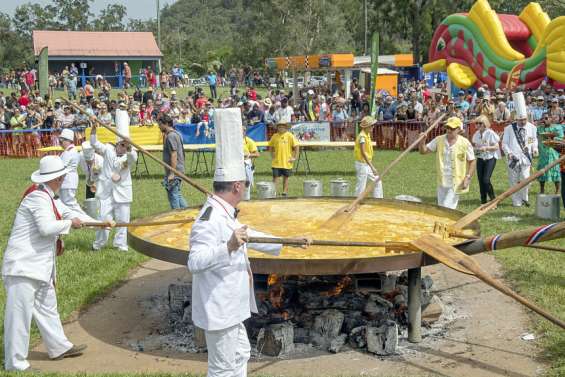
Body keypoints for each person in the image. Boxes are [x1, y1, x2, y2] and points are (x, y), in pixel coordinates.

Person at [188, 107, 309, 377]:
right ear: (237, 187)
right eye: (244, 183)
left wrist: (287, 241)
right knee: (221, 369)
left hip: (231, 307)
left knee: (241, 353)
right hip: (219, 309)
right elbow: (194, 262)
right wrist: (227, 247)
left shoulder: (223, 211)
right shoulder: (208, 219)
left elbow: (248, 234)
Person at [2, 155, 92, 371]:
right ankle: (15, 363)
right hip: (23, 266)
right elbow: (45, 227)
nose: (63, 180)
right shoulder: (37, 198)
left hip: (39, 267)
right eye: (62, 176)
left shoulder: (49, 196)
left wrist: (99, 223)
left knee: (47, 307)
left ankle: (58, 346)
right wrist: (71, 223)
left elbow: (70, 212)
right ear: (58, 179)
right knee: (19, 317)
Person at [90, 123, 137, 252]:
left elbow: (132, 158)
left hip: (123, 193)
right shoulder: (108, 150)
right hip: (106, 192)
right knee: (103, 219)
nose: (124, 147)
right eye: (122, 144)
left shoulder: (130, 154)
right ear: (117, 144)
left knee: (122, 220)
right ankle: (98, 244)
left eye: (126, 145)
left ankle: (120, 244)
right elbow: (94, 143)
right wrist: (94, 128)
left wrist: (129, 147)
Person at [419, 116, 476, 209]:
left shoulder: (465, 143)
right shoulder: (439, 140)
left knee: (447, 207)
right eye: (447, 128)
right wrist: (422, 141)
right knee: (442, 208)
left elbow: (472, 161)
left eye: (452, 128)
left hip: (456, 182)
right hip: (442, 181)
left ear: (459, 129)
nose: (449, 130)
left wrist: (468, 178)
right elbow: (423, 151)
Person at [502, 92, 539, 207]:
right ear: (516, 119)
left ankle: (525, 198)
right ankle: (516, 201)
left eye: (524, 119)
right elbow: (504, 144)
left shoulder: (532, 128)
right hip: (513, 157)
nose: (523, 122)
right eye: (521, 120)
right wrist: (509, 154)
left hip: (526, 157)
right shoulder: (508, 129)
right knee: (513, 180)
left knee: (526, 178)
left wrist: (534, 148)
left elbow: (533, 140)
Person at [158, 114, 188, 209]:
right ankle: (187, 214)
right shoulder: (175, 134)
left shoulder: (171, 136)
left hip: (174, 171)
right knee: (177, 194)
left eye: (160, 124)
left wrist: (172, 173)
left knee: (173, 195)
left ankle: (176, 215)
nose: (159, 126)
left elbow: (174, 154)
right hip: (177, 170)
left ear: (166, 123)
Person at [471, 115, 500, 204]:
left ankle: (493, 200)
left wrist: (486, 148)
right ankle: (483, 201)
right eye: (477, 123)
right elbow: (476, 146)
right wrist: (475, 150)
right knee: (480, 180)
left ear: (485, 124)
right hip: (480, 158)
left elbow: (496, 146)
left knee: (486, 179)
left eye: (480, 123)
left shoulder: (490, 133)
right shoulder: (476, 134)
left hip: (490, 158)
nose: (478, 125)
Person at [354, 116, 383, 198]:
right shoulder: (362, 137)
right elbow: (363, 153)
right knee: (361, 186)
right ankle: (356, 201)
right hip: (362, 164)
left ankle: (378, 200)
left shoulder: (367, 135)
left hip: (366, 164)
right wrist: (372, 167)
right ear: (366, 127)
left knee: (377, 180)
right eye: (372, 125)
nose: (373, 127)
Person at [268, 121, 299, 196]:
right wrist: (272, 154)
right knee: (275, 178)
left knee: (286, 178)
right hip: (276, 162)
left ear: (286, 127)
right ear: (277, 128)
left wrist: (294, 157)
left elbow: (296, 146)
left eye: (283, 126)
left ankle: (284, 192)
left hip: (287, 162)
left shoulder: (290, 136)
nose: (281, 128)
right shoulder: (274, 136)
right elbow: (270, 146)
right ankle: (273, 192)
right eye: (279, 126)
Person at [536, 112, 563, 194]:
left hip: (554, 153)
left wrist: (553, 137)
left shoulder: (557, 128)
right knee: (542, 171)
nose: (544, 120)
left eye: (546, 118)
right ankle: (542, 190)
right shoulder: (539, 128)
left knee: (556, 171)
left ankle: (557, 190)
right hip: (543, 153)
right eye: (543, 118)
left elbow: (561, 139)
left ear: (551, 118)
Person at [58, 128, 82, 214]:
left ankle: (86, 220)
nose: (60, 143)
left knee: (71, 204)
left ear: (67, 141)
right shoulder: (71, 150)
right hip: (68, 180)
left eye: (61, 141)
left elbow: (61, 167)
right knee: (64, 203)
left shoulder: (69, 151)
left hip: (67, 180)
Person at [243, 126, 259, 200]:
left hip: (247, 165)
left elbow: (257, 154)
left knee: (247, 184)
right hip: (236, 164)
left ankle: (246, 199)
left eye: (244, 130)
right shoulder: (233, 141)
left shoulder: (249, 141)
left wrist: (248, 155)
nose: (242, 132)